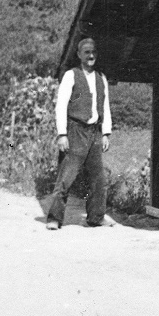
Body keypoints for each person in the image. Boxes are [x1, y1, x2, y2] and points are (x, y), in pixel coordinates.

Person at [44, 38, 113, 230]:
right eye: (87, 52)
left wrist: (106, 133)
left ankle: (96, 217)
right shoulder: (71, 75)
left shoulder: (101, 78)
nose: (91, 56)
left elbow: (105, 107)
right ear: (79, 55)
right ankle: (54, 218)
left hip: (95, 133)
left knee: (99, 179)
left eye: (94, 53)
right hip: (75, 131)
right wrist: (62, 134)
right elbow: (61, 106)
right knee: (67, 176)